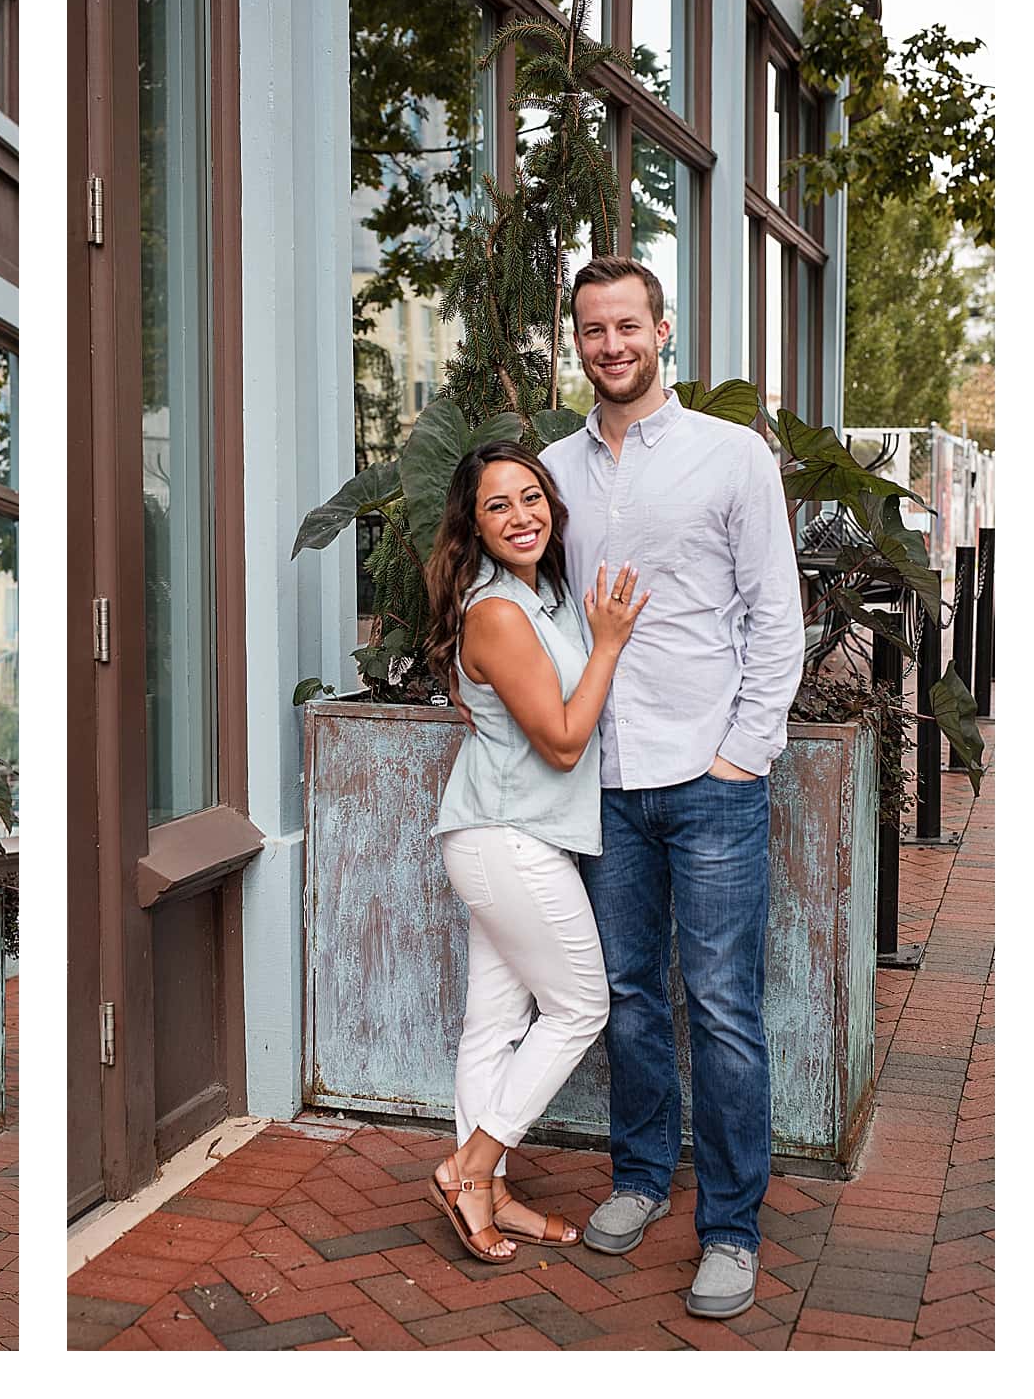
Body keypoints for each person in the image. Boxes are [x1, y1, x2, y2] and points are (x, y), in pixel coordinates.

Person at [540, 255, 803, 1321]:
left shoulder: (729, 455)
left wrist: (741, 752)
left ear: (663, 333)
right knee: (631, 1000)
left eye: (626, 327)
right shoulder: (552, 471)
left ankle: (731, 1229)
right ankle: (641, 1175)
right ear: (577, 343)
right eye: (592, 331)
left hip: (708, 779)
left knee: (726, 1009)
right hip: (598, 783)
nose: (610, 346)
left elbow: (770, 614)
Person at [425, 441, 647, 1264]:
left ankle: (490, 1194)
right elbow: (559, 742)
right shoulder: (498, 612)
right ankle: (471, 1167)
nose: (520, 516)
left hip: (500, 834)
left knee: (494, 1022)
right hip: (507, 840)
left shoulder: (535, 595)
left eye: (531, 498)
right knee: (581, 1004)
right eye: (497, 506)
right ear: (473, 528)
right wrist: (611, 644)